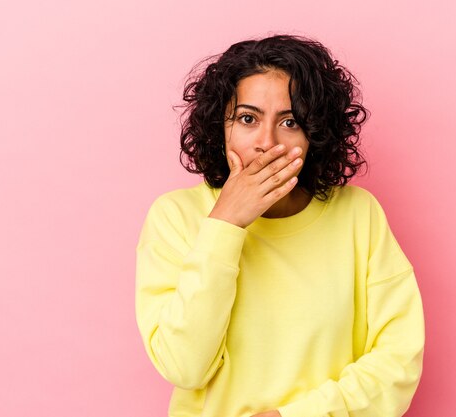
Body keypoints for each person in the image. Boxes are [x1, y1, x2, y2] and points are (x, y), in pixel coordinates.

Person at [135, 34, 425, 417]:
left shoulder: (359, 215)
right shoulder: (175, 217)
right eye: (247, 118)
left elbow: (399, 358)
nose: (266, 143)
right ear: (220, 127)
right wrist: (225, 223)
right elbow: (183, 367)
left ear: (314, 133)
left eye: (290, 122)